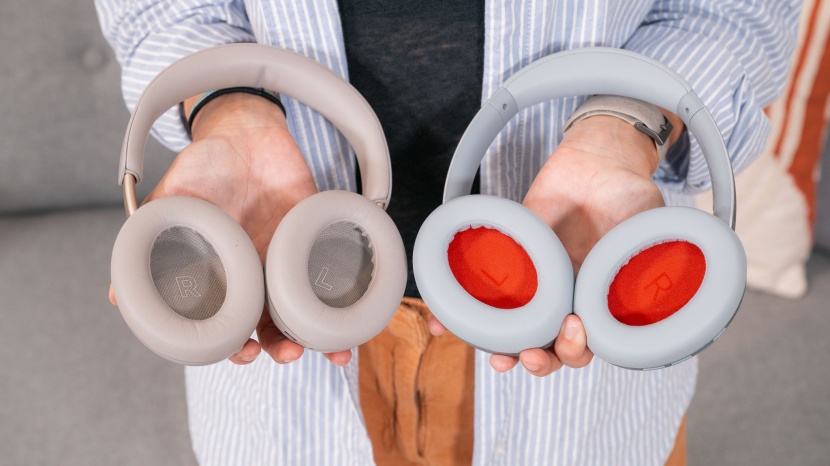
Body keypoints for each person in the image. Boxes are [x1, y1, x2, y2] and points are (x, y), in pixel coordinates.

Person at [95, 1, 800, 464]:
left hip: (579, 287)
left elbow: (733, 11)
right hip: (282, 285)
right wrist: (230, 107)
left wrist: (626, 125)